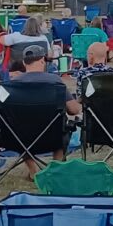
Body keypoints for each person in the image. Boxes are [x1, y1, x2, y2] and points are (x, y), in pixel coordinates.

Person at [12, 45, 82, 178]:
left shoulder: (13, 83)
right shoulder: (54, 81)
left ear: (23, 63)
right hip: (52, 135)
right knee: (62, 128)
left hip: (21, 137)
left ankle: (33, 170)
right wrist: (80, 102)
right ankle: (56, 168)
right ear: (43, 61)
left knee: (17, 128)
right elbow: (73, 110)